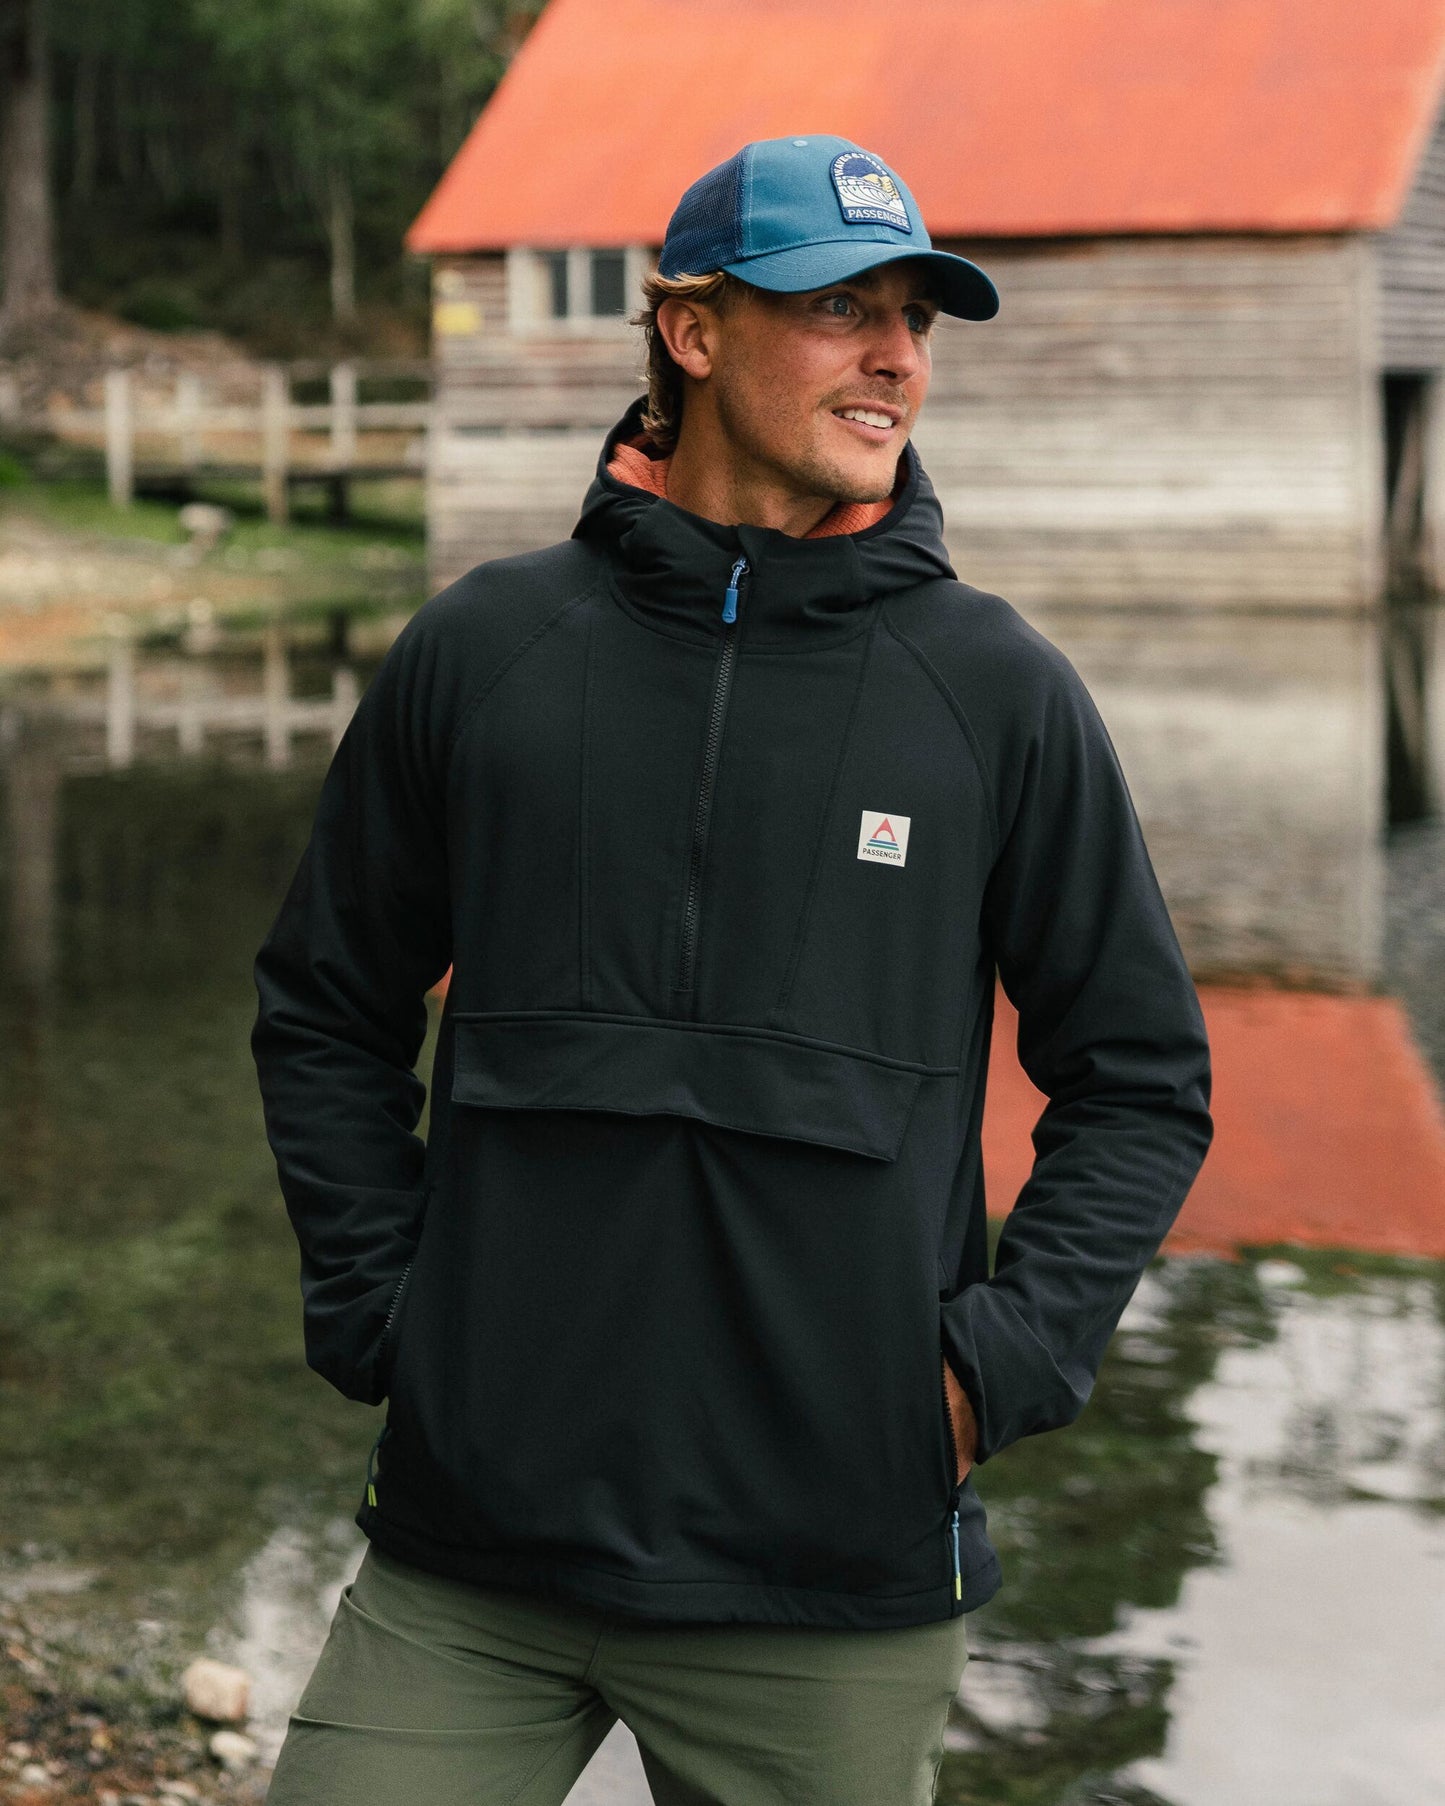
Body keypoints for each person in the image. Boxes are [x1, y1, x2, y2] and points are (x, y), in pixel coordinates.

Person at [252, 134, 1213, 1806]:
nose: (894, 356)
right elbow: (327, 1007)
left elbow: (1137, 1079)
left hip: (827, 1586)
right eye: (840, 308)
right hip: (474, 1559)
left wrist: (988, 1372)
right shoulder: (486, 651)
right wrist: (383, 1306)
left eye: (913, 318)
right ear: (690, 333)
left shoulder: (994, 692)